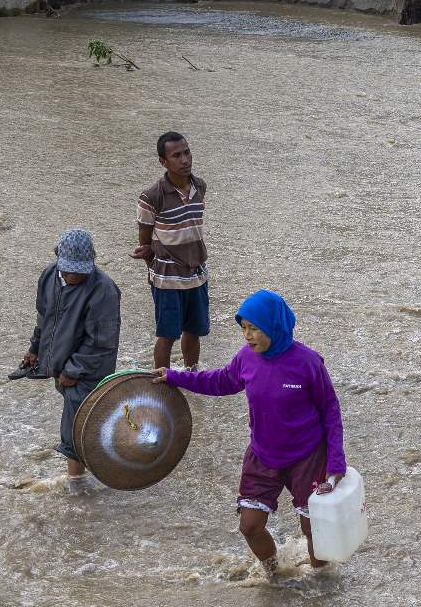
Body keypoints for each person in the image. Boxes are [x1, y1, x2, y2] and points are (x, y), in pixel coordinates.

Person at [160, 290, 345, 578]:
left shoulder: (308, 363)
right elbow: (219, 381)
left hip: (307, 457)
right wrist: (174, 377)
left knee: (313, 529)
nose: (248, 336)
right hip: (263, 456)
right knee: (249, 525)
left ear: (274, 326)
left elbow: (331, 413)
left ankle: (320, 583)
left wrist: (335, 467)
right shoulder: (246, 358)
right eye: (244, 328)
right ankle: (274, 576)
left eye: (255, 328)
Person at [21, 228, 121, 490]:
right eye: (67, 270)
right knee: (81, 420)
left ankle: (77, 485)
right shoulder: (49, 276)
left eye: (77, 271)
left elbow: (101, 342)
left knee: (76, 425)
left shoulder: (104, 290)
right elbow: (45, 318)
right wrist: (35, 349)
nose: (71, 275)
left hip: (89, 370)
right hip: (61, 364)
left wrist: (73, 370)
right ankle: (91, 473)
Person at [132, 132, 208, 371]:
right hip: (167, 278)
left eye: (187, 152)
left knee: (194, 331)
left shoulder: (200, 186)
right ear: (163, 162)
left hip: (197, 273)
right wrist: (153, 270)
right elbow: (145, 245)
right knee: (167, 335)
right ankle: (162, 385)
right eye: (176, 155)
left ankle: (192, 375)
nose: (184, 159)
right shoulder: (151, 196)